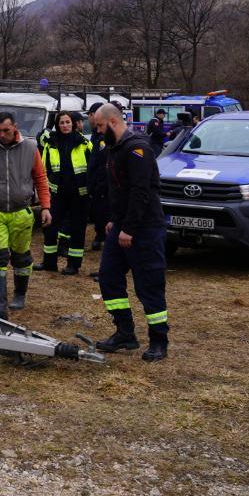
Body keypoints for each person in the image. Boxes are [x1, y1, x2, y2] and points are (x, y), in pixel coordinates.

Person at [90, 103, 169, 361]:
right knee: (108, 277)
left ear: (113, 122)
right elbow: (118, 191)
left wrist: (129, 229)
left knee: (149, 285)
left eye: (100, 126)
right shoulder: (115, 148)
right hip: (122, 226)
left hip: (143, 228)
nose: (99, 132)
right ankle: (125, 333)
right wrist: (115, 221)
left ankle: (159, 341)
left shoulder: (138, 149)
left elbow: (140, 192)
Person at [0, 111, 52, 317]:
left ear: (15, 126)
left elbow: (40, 179)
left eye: (6, 130)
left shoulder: (30, 148)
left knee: (21, 257)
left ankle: (20, 294)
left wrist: (46, 206)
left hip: (21, 212)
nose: (2, 134)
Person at [41, 111, 94, 275]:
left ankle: (74, 265)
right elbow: (43, 169)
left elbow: (92, 168)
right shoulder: (50, 144)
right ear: (57, 125)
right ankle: (49, 262)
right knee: (50, 228)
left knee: (77, 230)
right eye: (62, 122)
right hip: (57, 193)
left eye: (67, 122)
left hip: (80, 194)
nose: (65, 125)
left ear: (73, 124)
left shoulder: (84, 143)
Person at [87, 108, 110, 252]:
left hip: (107, 182)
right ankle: (99, 234)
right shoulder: (96, 136)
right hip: (97, 181)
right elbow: (93, 161)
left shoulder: (108, 138)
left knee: (107, 211)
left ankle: (105, 238)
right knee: (98, 212)